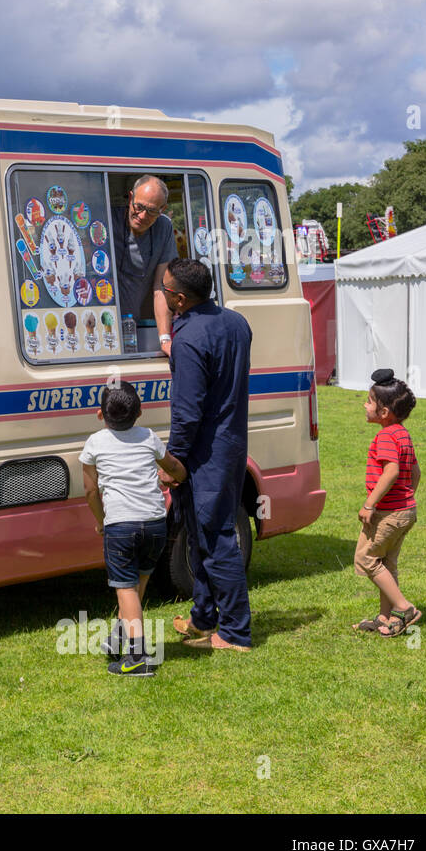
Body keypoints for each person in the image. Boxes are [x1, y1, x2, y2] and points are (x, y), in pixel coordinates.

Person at [161, 258, 254, 651]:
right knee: (199, 535)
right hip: (231, 444)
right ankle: (204, 618)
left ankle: (235, 632)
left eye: (165, 291)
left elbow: (187, 412)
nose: (162, 296)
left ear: (179, 299)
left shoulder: (189, 339)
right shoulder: (236, 323)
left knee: (216, 540)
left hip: (203, 453)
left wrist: (172, 461)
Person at [80, 381, 188, 676]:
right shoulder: (149, 437)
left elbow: (90, 491)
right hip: (154, 524)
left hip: (121, 526)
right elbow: (172, 465)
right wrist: (177, 475)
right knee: (136, 586)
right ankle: (118, 637)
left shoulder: (95, 443)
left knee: (125, 589)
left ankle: (137, 658)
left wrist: (102, 522)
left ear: (99, 415)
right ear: (140, 412)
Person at [351, 369, 421, 637]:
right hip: (405, 511)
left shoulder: (386, 436)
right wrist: (405, 500)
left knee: (367, 558)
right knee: (386, 563)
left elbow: (391, 471)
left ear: (384, 412)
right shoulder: (402, 434)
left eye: (369, 401)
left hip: (389, 514)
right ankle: (386, 618)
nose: (364, 405)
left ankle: (405, 608)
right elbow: (415, 473)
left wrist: (370, 505)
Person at [111, 175, 178, 355]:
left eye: (152, 211)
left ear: (162, 209)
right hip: (102, 325)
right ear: (131, 197)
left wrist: (165, 339)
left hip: (131, 328)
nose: (142, 216)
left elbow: (160, 287)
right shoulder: (109, 220)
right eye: (138, 207)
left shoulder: (164, 228)